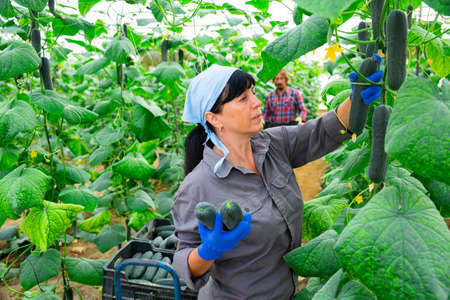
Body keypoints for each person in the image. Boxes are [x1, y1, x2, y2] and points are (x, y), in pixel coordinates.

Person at [171, 56, 383, 299]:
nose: (257, 102)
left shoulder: (273, 144)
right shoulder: (197, 186)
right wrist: (209, 250)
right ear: (214, 118)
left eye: (252, 93)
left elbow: (322, 131)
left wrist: (355, 99)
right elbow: (183, 263)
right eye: (243, 99)